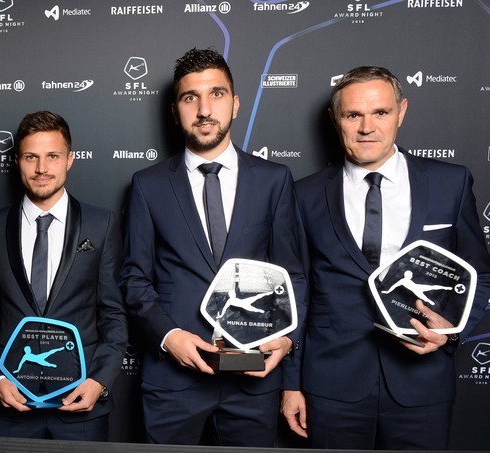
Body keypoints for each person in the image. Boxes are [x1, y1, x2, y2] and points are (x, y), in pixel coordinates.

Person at [281, 66, 490, 449]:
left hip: (422, 385)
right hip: (331, 386)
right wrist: (291, 384)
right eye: (353, 115)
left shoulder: (451, 182)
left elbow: (480, 275)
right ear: (335, 118)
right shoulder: (303, 195)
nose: (367, 127)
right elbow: (296, 292)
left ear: (401, 112)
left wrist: (451, 330)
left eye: (380, 112)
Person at [119, 47, 305, 446]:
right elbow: (134, 278)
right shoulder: (147, 185)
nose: (204, 110)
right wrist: (168, 336)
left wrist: (287, 343)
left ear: (235, 104)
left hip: (254, 379)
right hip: (173, 382)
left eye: (216, 94)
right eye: (191, 98)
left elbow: (293, 277)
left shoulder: (274, 180)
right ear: (175, 111)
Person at [0, 111, 128, 441]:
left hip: (80, 401)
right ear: (17, 161)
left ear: (69, 159)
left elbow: (113, 313)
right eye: (31, 157)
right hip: (11, 404)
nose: (41, 168)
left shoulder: (101, 224)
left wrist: (99, 380)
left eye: (53, 156)